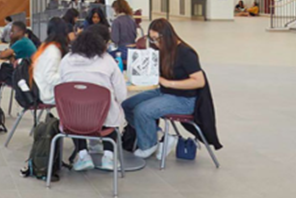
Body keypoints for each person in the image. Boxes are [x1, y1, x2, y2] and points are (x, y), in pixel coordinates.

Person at [121, 18, 206, 160]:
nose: (154, 43)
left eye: (156, 39)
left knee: (143, 111)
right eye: (151, 38)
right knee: (127, 105)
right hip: (165, 92)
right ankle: (160, 136)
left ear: (166, 36)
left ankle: (148, 145)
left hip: (184, 99)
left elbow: (199, 81)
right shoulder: (162, 51)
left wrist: (168, 83)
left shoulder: (186, 53)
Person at [59, 25, 128, 171]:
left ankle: (83, 154)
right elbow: (122, 95)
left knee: (75, 110)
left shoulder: (66, 60)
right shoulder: (108, 61)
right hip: (103, 120)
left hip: (73, 120)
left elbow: (60, 87)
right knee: (114, 110)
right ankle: (109, 156)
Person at [0, 20, 37, 107]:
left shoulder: (21, 42)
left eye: (13, 31)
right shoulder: (25, 41)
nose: (10, 33)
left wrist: (8, 55)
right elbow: (11, 55)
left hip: (22, 78)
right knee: (0, 73)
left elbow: (3, 55)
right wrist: (11, 56)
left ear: (20, 32)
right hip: (28, 74)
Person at [31, 17, 72, 106]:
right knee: (81, 94)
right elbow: (50, 77)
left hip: (42, 88)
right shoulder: (53, 51)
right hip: (47, 93)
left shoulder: (47, 46)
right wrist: (69, 76)